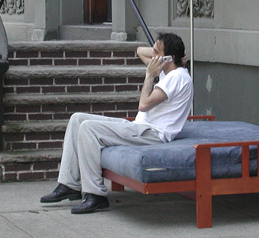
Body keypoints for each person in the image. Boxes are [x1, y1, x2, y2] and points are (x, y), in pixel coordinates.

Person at [40, 32, 193, 214]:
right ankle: (69, 184)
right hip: (140, 128)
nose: (152, 56)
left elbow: (143, 105)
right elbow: (139, 51)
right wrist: (160, 53)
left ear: (169, 58)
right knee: (77, 119)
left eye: (157, 53)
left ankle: (95, 195)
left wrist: (149, 76)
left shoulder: (177, 77)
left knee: (88, 128)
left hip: (152, 134)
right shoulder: (167, 71)